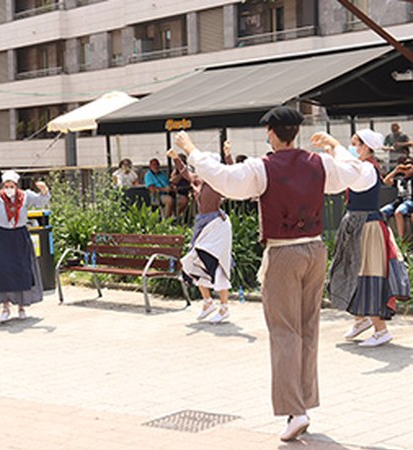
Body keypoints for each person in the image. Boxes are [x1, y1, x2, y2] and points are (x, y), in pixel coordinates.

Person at [174, 106, 371, 442]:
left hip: (283, 252)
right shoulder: (318, 162)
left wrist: (191, 151)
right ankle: (304, 403)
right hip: (315, 250)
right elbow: (361, 175)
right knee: (307, 329)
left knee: (284, 332)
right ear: (295, 132)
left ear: (271, 133)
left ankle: (296, 411)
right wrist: (334, 147)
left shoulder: (262, 167)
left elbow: (225, 180)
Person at [324, 129, 410, 348]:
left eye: (357, 145)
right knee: (353, 270)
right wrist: (334, 153)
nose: (354, 149)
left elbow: (347, 173)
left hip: (367, 227)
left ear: (366, 147)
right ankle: (360, 319)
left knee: (368, 273)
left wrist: (335, 147)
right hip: (358, 224)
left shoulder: (366, 169)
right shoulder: (363, 167)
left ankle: (381, 330)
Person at [169, 141, 234, 324]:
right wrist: (175, 158)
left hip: (217, 224)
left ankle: (224, 307)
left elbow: (231, 172)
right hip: (202, 224)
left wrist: (227, 154)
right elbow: (184, 173)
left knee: (217, 263)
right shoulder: (198, 179)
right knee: (193, 262)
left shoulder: (217, 180)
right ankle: (207, 303)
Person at [0, 171, 50, 322]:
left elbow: (41, 201)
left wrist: (44, 189)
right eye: (6, 186)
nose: (9, 189)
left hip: (20, 236)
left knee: (21, 270)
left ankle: (21, 307)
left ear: (16, 186)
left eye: (12, 186)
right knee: (2, 271)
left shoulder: (25, 196)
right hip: (2, 236)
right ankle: (5, 307)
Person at [380, 156, 413, 237]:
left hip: (410, 201)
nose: (407, 170)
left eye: (409, 167)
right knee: (380, 213)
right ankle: (384, 236)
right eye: (405, 167)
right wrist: (395, 171)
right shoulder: (399, 179)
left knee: (399, 212)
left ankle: (401, 239)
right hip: (398, 202)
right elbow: (386, 181)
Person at [170, 154, 191, 219]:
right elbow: (173, 181)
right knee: (183, 201)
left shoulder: (189, 170)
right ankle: (176, 215)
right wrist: (181, 174)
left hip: (188, 191)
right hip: (178, 193)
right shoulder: (175, 171)